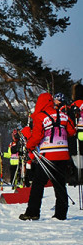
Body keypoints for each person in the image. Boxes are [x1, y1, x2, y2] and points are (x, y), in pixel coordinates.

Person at [19, 92, 77, 220]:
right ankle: (61, 214)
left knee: (38, 184)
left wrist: (29, 146)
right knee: (60, 184)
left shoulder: (40, 117)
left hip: (48, 155)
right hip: (63, 155)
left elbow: (37, 136)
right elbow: (72, 131)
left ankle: (32, 212)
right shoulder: (63, 116)